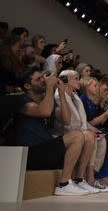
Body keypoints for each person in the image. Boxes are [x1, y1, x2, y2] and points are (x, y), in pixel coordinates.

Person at [14, 67, 89, 196]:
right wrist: (50, 88)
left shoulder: (47, 102)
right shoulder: (22, 100)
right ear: (27, 85)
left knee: (83, 136)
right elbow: (44, 111)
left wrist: (61, 94)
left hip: (45, 149)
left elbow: (66, 120)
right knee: (77, 136)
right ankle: (64, 184)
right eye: (38, 79)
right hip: (29, 153)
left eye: (43, 78)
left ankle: (77, 181)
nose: (43, 81)